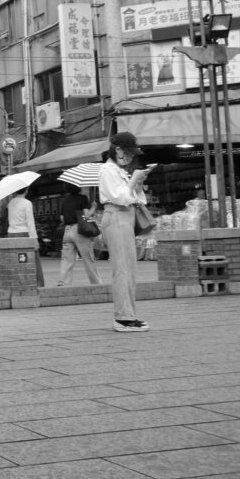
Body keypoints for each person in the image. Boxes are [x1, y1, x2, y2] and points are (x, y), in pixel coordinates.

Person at [99, 132, 154, 332]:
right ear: (118, 150)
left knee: (129, 269)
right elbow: (120, 197)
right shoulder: (108, 170)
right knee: (123, 269)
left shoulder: (118, 171)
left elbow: (136, 199)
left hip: (123, 217)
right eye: (128, 153)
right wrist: (134, 179)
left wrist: (138, 183)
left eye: (132, 154)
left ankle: (128, 315)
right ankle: (123, 318)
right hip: (117, 216)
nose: (130, 158)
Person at [57, 184, 102, 286]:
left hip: (67, 231)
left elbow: (62, 218)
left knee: (67, 259)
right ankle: (96, 282)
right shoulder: (83, 198)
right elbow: (86, 215)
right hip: (79, 230)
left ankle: (63, 282)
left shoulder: (64, 200)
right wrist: (93, 207)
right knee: (88, 258)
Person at [6, 186, 45, 287]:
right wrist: (34, 239)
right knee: (33, 259)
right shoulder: (27, 203)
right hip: (24, 233)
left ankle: (15, 282)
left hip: (11, 233)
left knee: (14, 259)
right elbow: (30, 222)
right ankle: (38, 283)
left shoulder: (10, 203)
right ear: (26, 190)